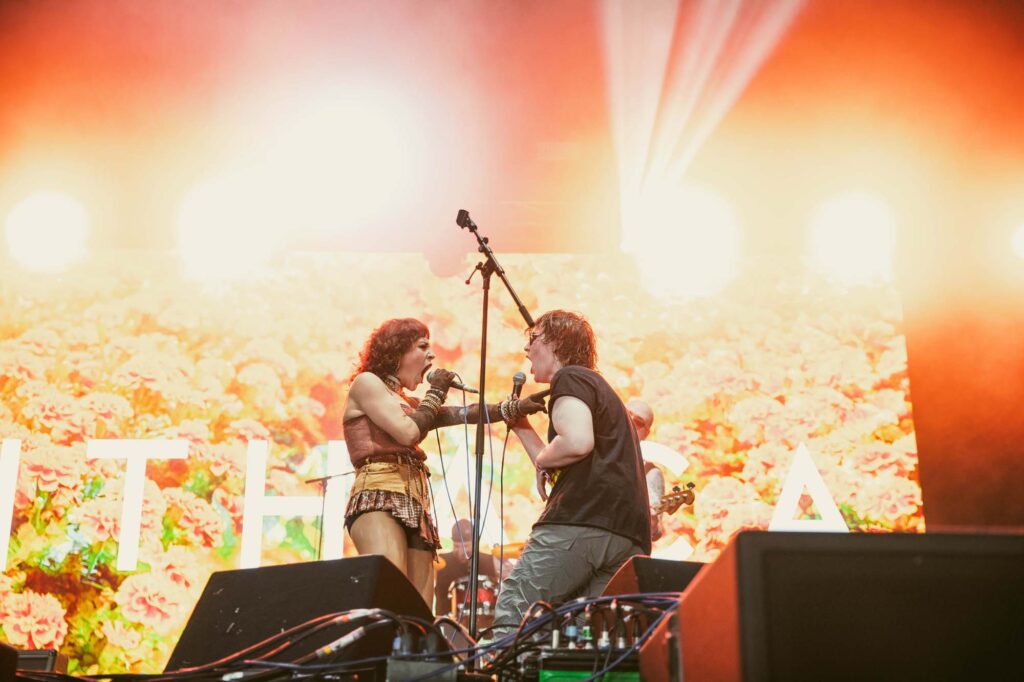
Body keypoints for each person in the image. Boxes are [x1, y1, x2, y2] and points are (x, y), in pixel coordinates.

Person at [343, 318, 544, 606]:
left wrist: (511, 408)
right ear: (396, 350)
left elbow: (461, 414)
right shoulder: (367, 383)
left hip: (415, 504)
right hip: (378, 495)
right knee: (390, 593)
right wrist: (436, 391)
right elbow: (407, 432)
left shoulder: (407, 403)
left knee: (421, 606)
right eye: (422, 346)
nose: (431, 355)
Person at [490, 310, 651, 638]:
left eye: (533, 339)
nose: (526, 349)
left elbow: (577, 442)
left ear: (555, 342)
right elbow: (557, 459)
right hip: (626, 535)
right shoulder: (600, 391)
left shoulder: (571, 377)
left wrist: (543, 459)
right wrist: (521, 427)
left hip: (582, 520)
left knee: (517, 608)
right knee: (580, 636)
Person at [434, 518, 501, 618]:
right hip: (448, 622)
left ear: (475, 543)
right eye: (457, 546)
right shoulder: (442, 561)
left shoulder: (489, 561)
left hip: (486, 620)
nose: (461, 552)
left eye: (465, 546)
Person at [626, 399, 667, 542]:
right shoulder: (591, 449)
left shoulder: (649, 473)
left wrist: (653, 523)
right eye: (626, 414)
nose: (630, 421)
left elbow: (656, 531)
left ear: (646, 433)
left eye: (638, 422)